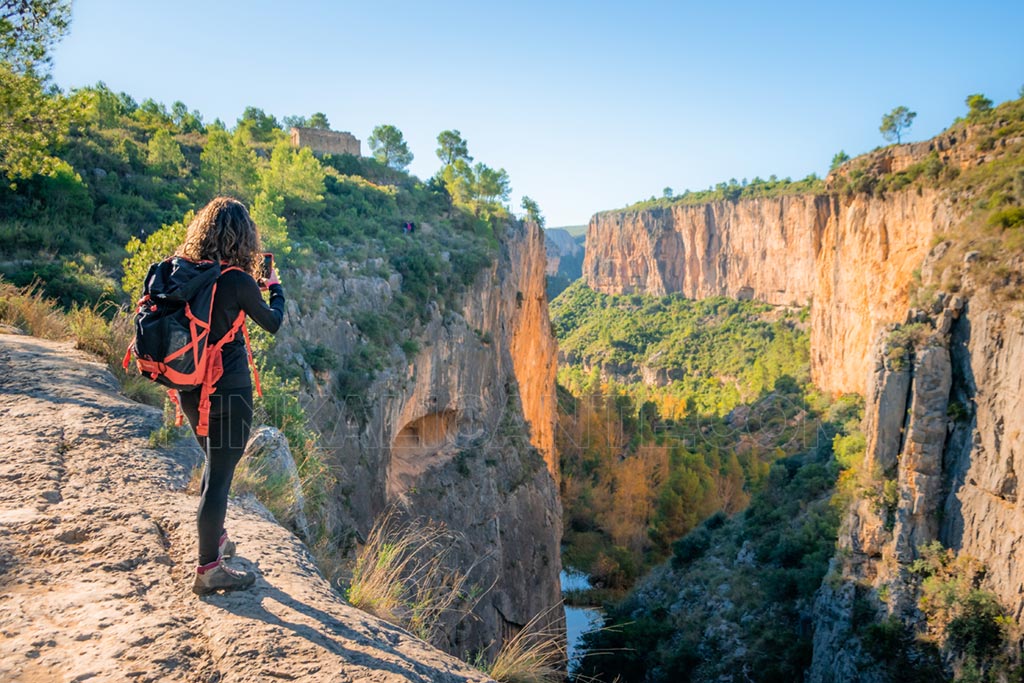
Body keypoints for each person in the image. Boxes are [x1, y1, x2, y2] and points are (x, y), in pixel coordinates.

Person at [174, 197, 286, 595]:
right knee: (220, 479)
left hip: (190, 388)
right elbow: (271, 323)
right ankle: (209, 569)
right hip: (229, 388)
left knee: (213, 465)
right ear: (245, 238)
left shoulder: (187, 272)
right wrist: (275, 290)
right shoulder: (237, 279)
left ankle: (216, 541)